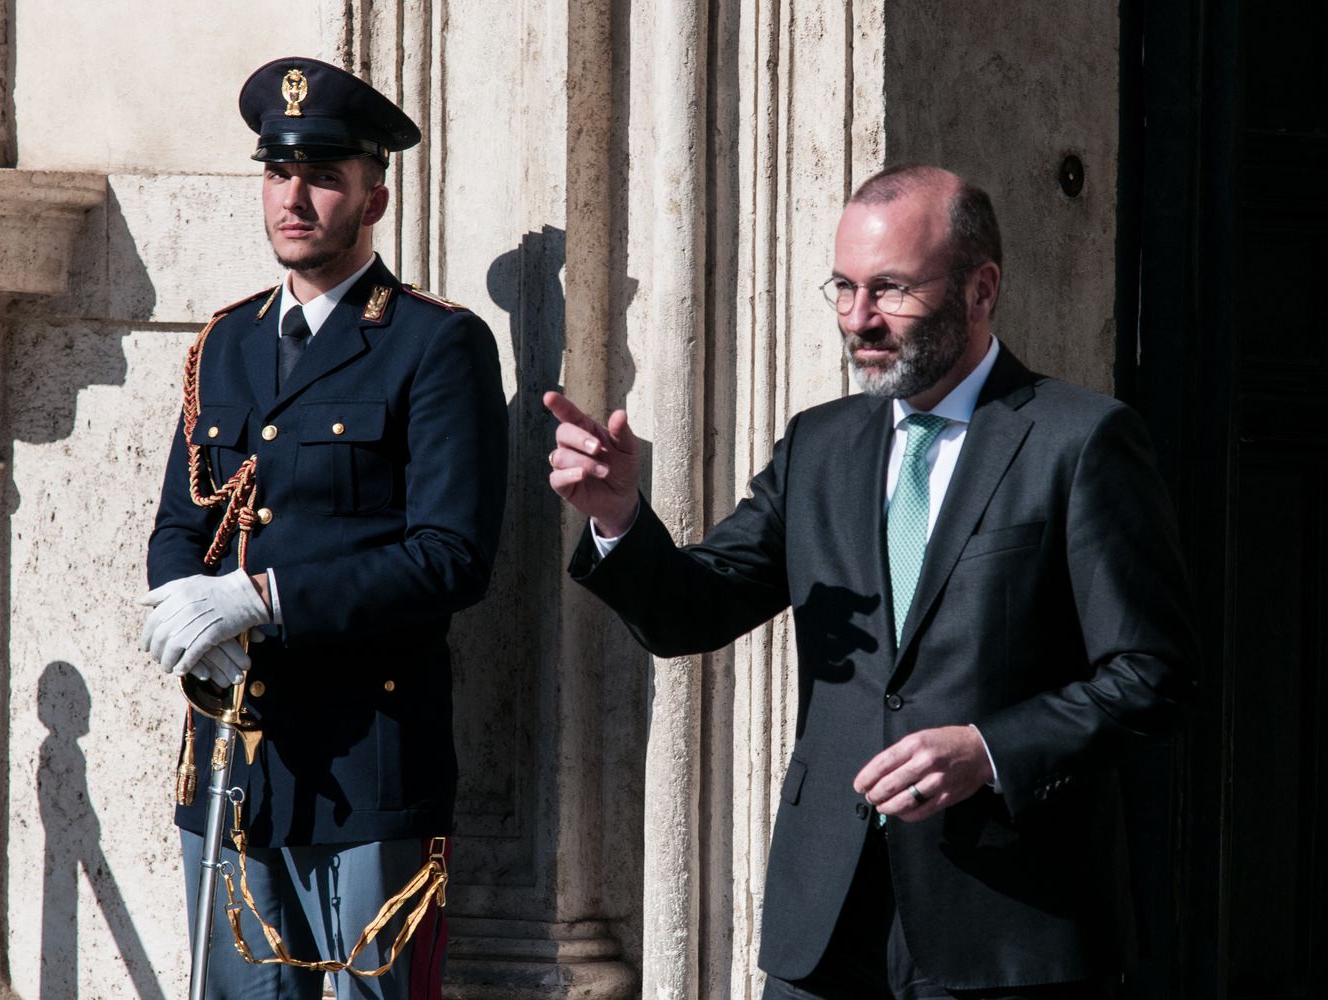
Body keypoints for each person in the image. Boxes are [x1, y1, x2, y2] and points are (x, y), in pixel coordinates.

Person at [544, 164, 1195, 999]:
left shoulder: (1081, 440)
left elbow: (1154, 676)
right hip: (827, 919)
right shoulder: (820, 445)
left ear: (980, 288)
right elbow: (692, 614)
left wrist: (988, 751)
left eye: (889, 289)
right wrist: (620, 519)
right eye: (844, 288)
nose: (859, 320)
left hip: (1008, 926)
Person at [142, 56, 507, 1000]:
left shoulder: (434, 344)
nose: (293, 197)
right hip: (233, 762)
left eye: (322, 177)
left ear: (373, 198)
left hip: (367, 770)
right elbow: (183, 521)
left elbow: (452, 559)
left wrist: (261, 599)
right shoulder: (226, 341)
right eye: (277, 173)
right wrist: (189, 611)